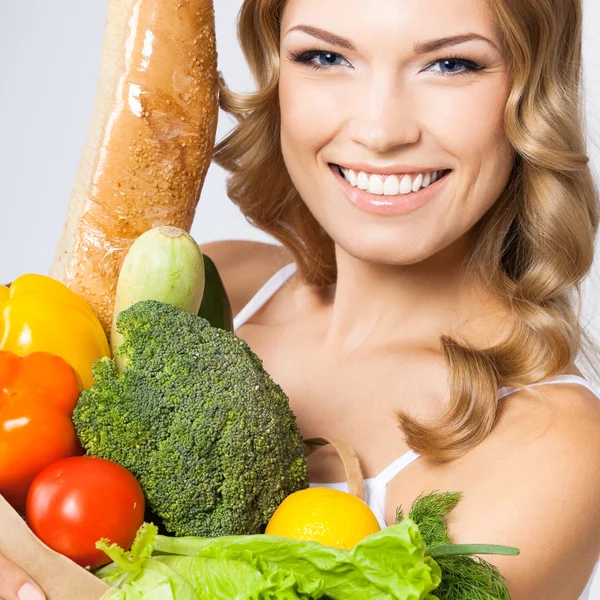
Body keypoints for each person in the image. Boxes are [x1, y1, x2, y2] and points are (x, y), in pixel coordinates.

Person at [2, 0, 599, 598]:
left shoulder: (553, 445)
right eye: (325, 56)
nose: (380, 130)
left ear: (530, 87)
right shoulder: (219, 283)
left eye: (450, 65)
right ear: (277, 74)